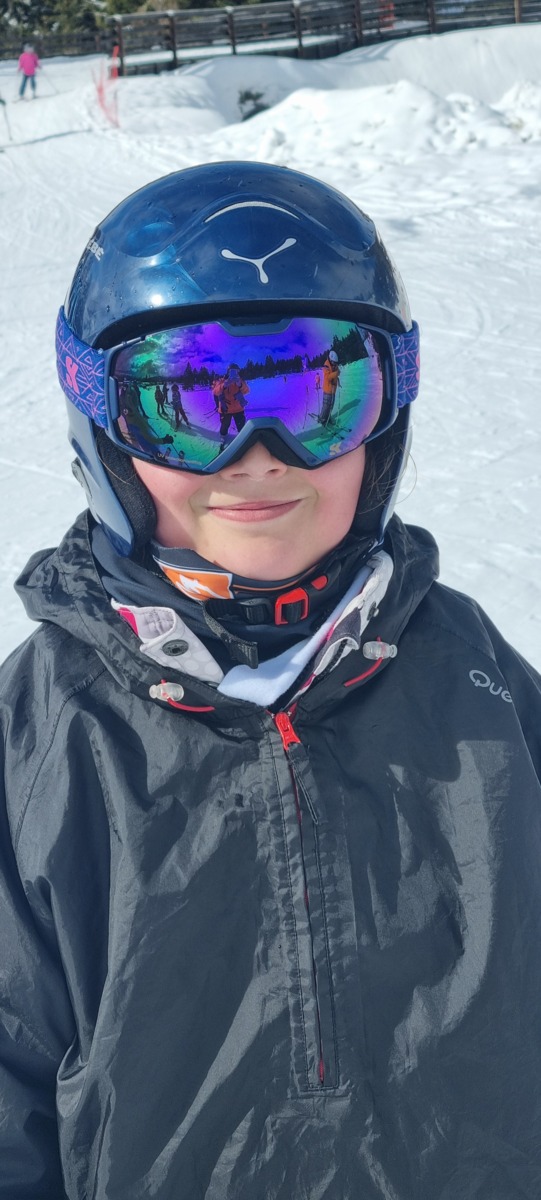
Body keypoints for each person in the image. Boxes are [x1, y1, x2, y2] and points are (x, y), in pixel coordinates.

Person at [1, 161, 541, 1200]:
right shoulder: (41, 739)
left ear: (388, 413)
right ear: (101, 419)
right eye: (186, 406)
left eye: (316, 395)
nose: (258, 456)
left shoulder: (472, 682)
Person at [217, 362, 249, 448]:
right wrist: (224, 385)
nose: (234, 373)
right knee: (224, 425)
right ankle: (223, 436)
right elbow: (215, 391)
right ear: (228, 372)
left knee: (241, 425)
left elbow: (246, 391)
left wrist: (240, 384)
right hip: (225, 409)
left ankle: (242, 437)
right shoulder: (222, 380)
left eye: (236, 371)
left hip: (238, 409)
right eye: (232, 371)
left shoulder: (240, 380)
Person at [320, 347, 340, 424]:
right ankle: (322, 419)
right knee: (326, 406)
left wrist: (337, 376)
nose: (335, 364)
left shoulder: (335, 365)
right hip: (327, 390)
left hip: (333, 390)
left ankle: (328, 417)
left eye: (336, 363)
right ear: (331, 360)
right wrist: (336, 373)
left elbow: (336, 374)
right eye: (334, 362)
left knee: (331, 405)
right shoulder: (326, 366)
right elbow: (328, 377)